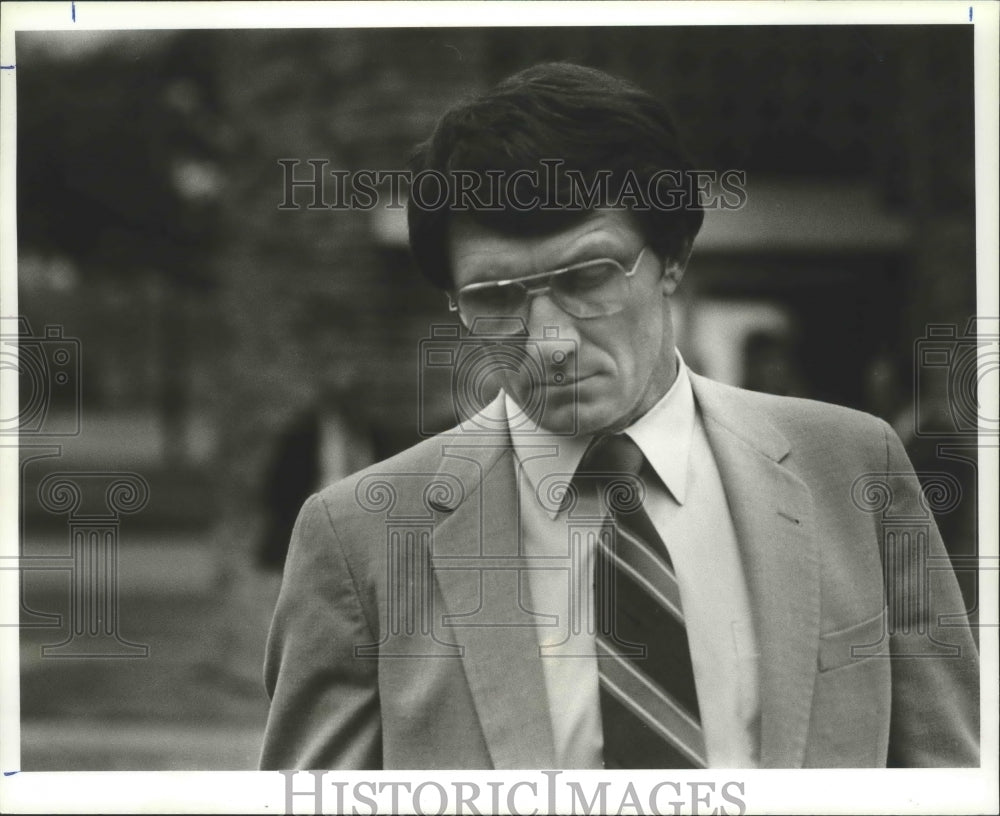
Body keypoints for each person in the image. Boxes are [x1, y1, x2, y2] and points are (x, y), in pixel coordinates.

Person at [259, 63, 979, 769]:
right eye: (496, 298)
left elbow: (951, 772)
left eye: (586, 279)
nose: (547, 341)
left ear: (672, 257)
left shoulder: (853, 467)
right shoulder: (360, 537)